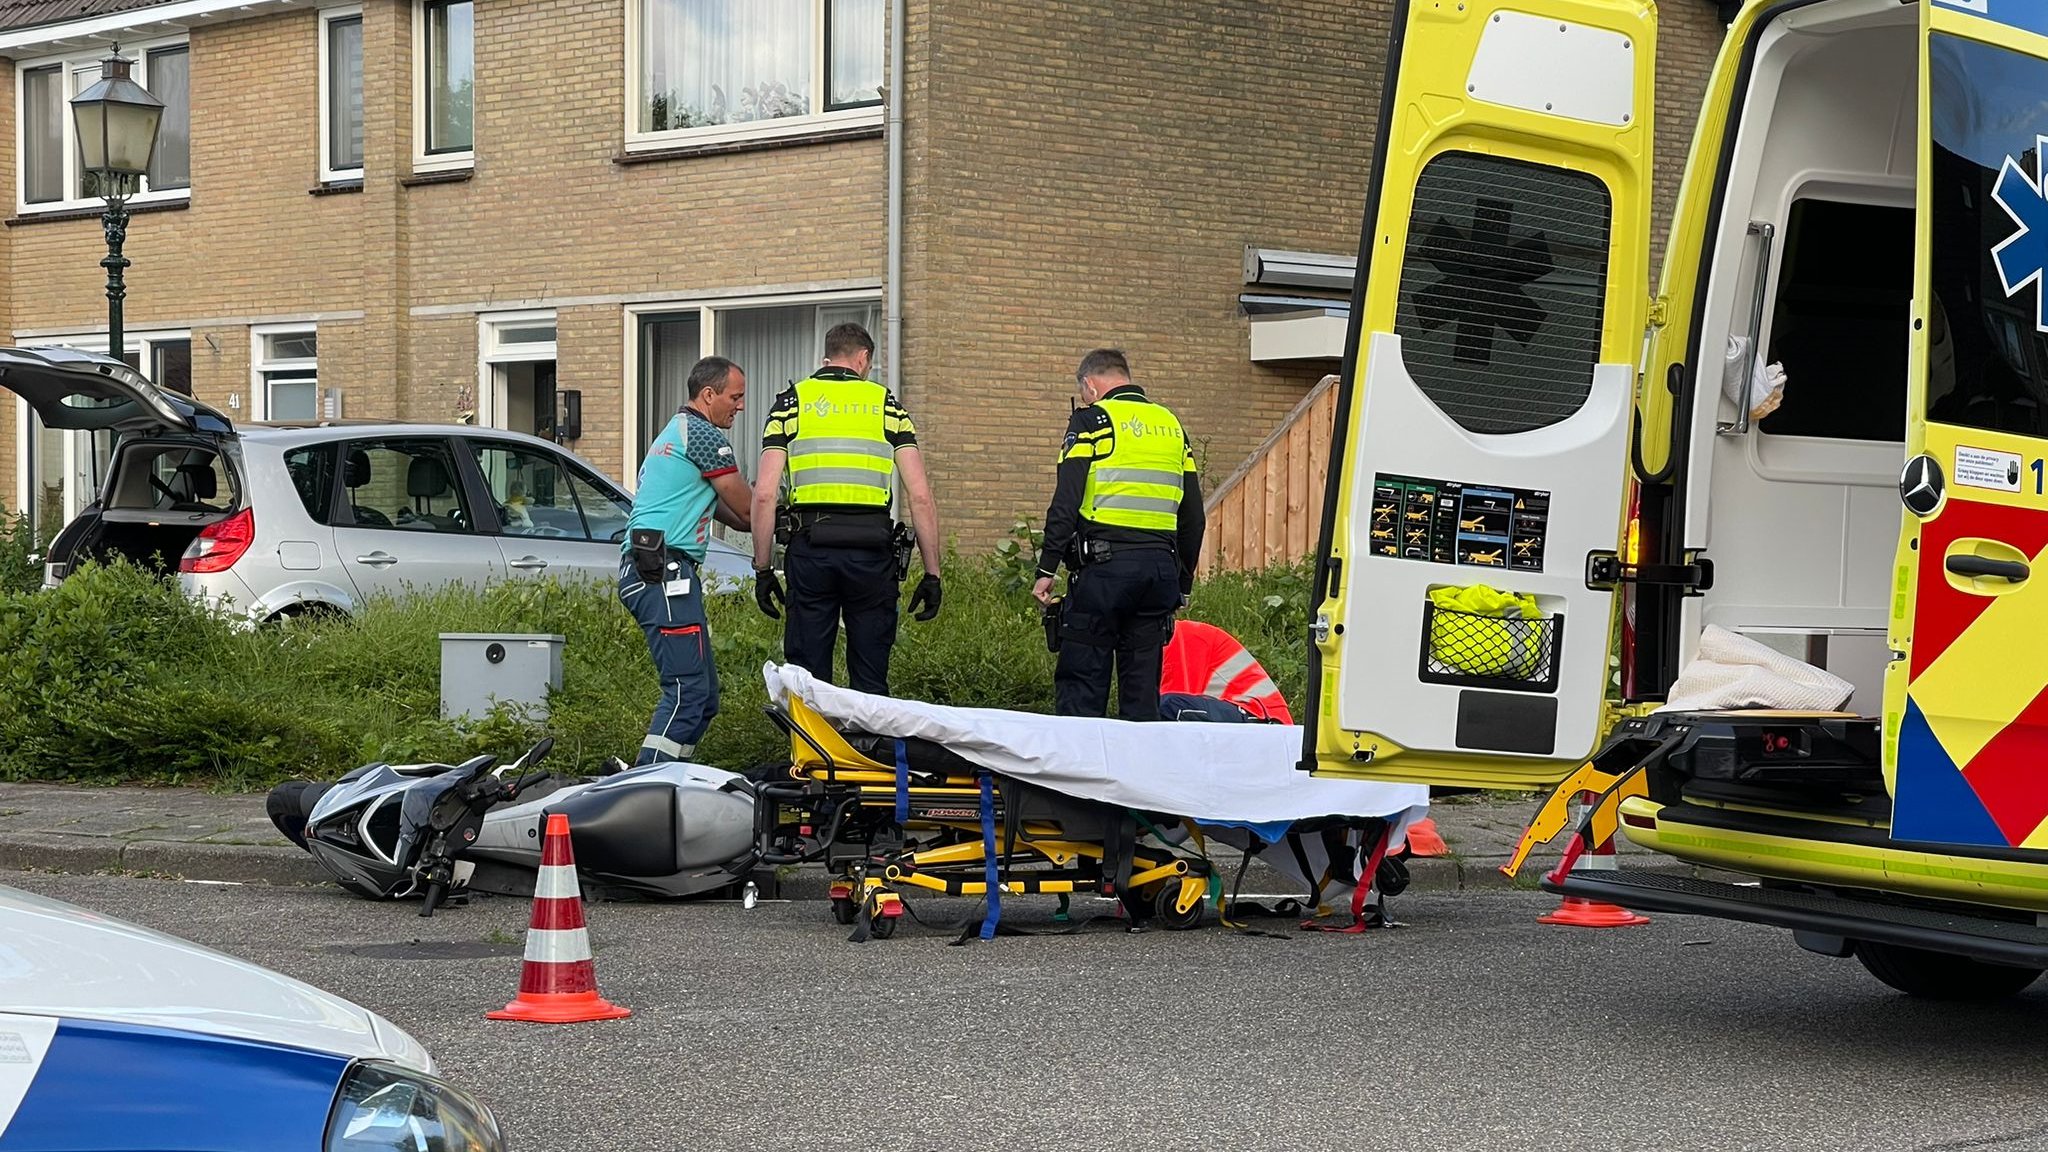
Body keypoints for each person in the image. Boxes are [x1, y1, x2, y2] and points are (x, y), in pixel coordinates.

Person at [750, 322, 942, 695]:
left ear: (829, 356)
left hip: (811, 551)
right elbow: (920, 496)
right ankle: (867, 734)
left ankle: (811, 734)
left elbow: (764, 495)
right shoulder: (887, 405)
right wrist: (932, 574)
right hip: (872, 554)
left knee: (807, 678)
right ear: (863, 357)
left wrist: (763, 568)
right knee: (870, 678)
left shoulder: (791, 403)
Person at [1031, 349, 1205, 719]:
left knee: (1082, 690)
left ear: (1089, 385)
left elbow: (1066, 502)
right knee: (1142, 699)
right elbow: (1193, 517)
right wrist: (1183, 584)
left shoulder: (1091, 421)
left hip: (1103, 573)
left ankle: (1080, 757)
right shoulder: (1172, 426)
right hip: (1158, 576)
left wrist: (1046, 570)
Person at [620, 356, 752, 765]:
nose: (741, 405)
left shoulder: (676, 431)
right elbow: (749, 511)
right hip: (664, 571)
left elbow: (737, 517)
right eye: (735, 396)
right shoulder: (703, 436)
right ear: (708, 395)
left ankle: (670, 774)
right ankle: (647, 783)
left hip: (654, 569)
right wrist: (784, 508)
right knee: (687, 691)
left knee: (705, 697)